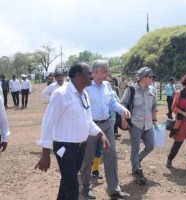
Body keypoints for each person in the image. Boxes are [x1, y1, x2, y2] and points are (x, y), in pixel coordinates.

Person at [35, 62, 110, 200]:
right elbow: (48, 123)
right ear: (78, 76)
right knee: (72, 188)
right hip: (65, 148)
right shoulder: (61, 94)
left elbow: (88, 121)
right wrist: (45, 154)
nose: (92, 76)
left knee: (66, 184)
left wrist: (100, 134)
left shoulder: (84, 94)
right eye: (89, 73)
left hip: (81, 147)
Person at [80, 60, 131, 199]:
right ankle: (85, 187)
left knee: (112, 154)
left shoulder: (107, 85)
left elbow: (113, 103)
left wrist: (123, 110)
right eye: (105, 71)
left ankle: (113, 188)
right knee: (88, 157)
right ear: (95, 72)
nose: (108, 74)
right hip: (91, 126)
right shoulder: (86, 87)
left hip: (107, 124)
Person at [120, 66, 158, 185]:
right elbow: (122, 105)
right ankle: (136, 171)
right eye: (150, 76)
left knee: (150, 146)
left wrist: (155, 120)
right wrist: (123, 120)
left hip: (148, 124)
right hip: (135, 124)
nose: (152, 78)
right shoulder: (131, 90)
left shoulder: (152, 90)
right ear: (142, 78)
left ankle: (136, 159)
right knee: (135, 148)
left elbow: (154, 107)